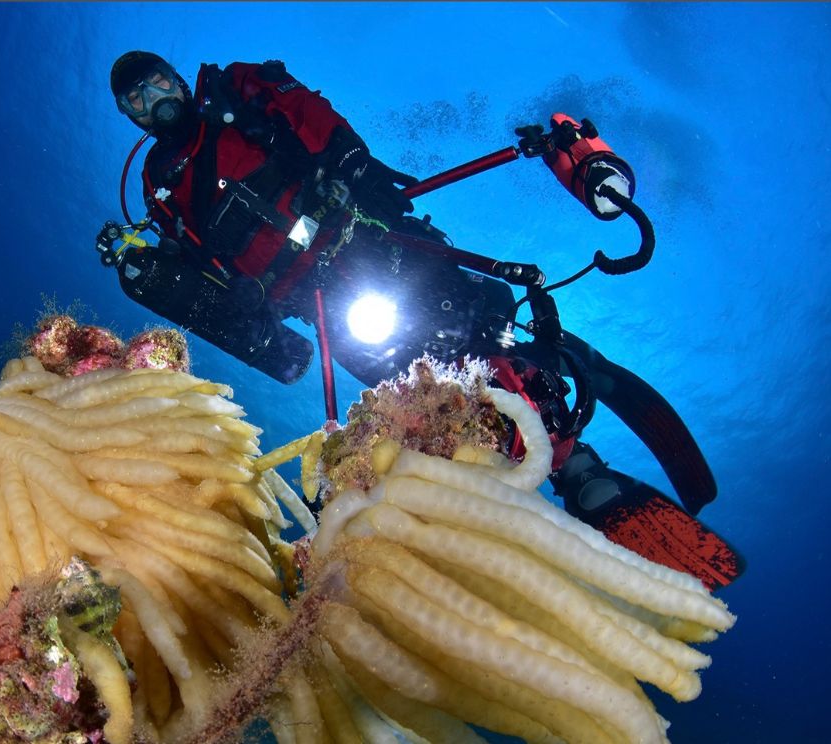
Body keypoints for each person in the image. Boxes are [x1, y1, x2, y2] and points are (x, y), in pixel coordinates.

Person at [105, 51, 744, 588]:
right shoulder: (161, 190)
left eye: (158, 82)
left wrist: (356, 169)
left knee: (478, 334)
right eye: (137, 99)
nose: (154, 100)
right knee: (426, 401)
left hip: (367, 238)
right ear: (129, 115)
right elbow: (202, 276)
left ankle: (577, 453)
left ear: (178, 78)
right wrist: (228, 297)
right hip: (323, 309)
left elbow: (304, 113)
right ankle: (520, 485)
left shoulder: (233, 91)